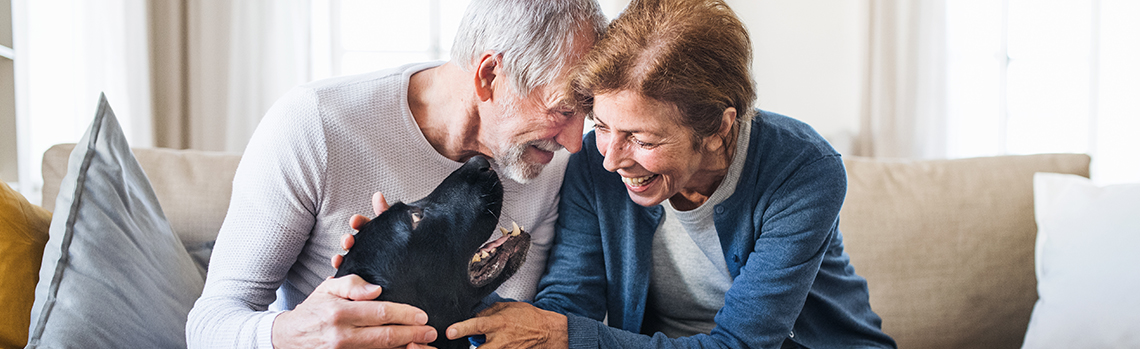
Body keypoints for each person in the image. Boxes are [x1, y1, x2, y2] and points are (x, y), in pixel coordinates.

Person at [437, 0, 898, 347]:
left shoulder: (803, 171)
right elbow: (567, 304)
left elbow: (742, 345)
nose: (612, 158)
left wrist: (570, 337)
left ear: (719, 128)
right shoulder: (597, 160)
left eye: (643, 139)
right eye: (601, 126)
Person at [185, 1, 608, 348]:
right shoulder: (315, 124)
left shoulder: (549, 159)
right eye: (563, 110)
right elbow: (208, 325)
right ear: (489, 76)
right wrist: (291, 334)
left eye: (584, 115)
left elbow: (538, 322)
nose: (575, 143)